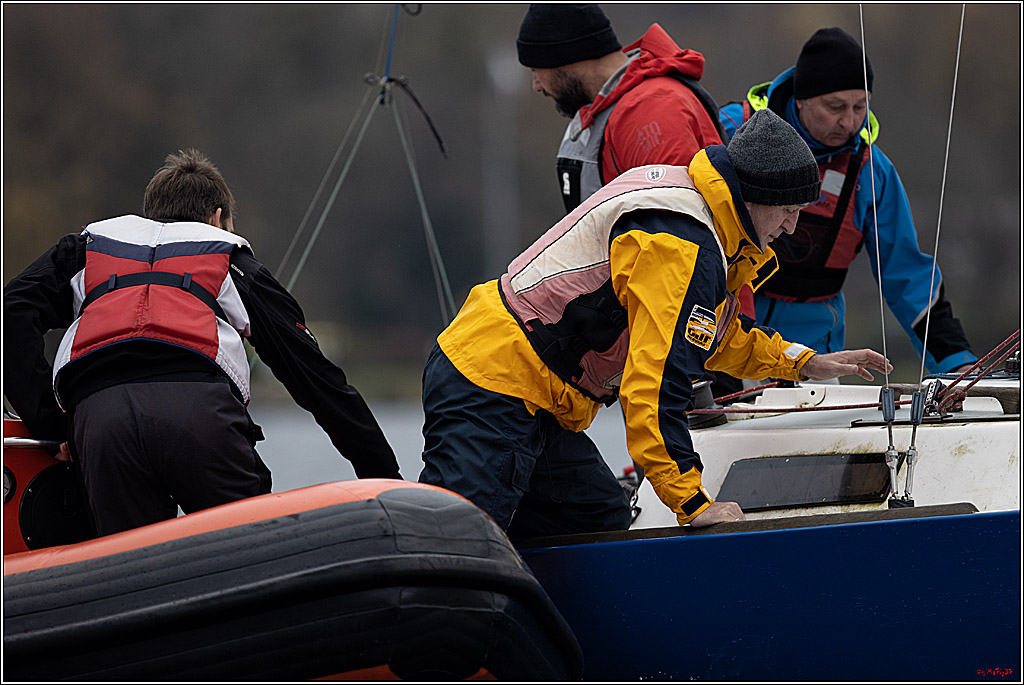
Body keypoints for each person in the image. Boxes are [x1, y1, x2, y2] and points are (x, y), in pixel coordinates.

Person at [418, 109, 891, 540]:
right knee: (461, 544)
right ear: (756, 198)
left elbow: (713, 337)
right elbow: (655, 384)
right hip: (493, 380)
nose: (790, 228)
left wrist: (804, 363)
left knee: (598, 520)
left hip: (535, 393)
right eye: (788, 212)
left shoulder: (699, 216)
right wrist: (692, 503)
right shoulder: (682, 247)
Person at [3, 148, 402, 536]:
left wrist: (50, 422)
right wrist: (385, 477)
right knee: (247, 549)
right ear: (217, 218)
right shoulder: (228, 257)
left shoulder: (88, 249)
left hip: (102, 421)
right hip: (199, 415)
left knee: (129, 560)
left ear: (151, 215)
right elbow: (316, 379)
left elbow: (11, 311)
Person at [718, 27, 976, 374]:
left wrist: (957, 363)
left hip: (818, 357)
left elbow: (907, 274)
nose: (850, 121)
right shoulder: (727, 132)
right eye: (835, 106)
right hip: (728, 347)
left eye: (860, 106)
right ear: (801, 99)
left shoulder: (873, 172)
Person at [516, 3, 726, 214]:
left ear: (565, 59)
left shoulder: (650, 110)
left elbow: (677, 222)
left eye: (536, 70)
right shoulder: (610, 111)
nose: (537, 86)